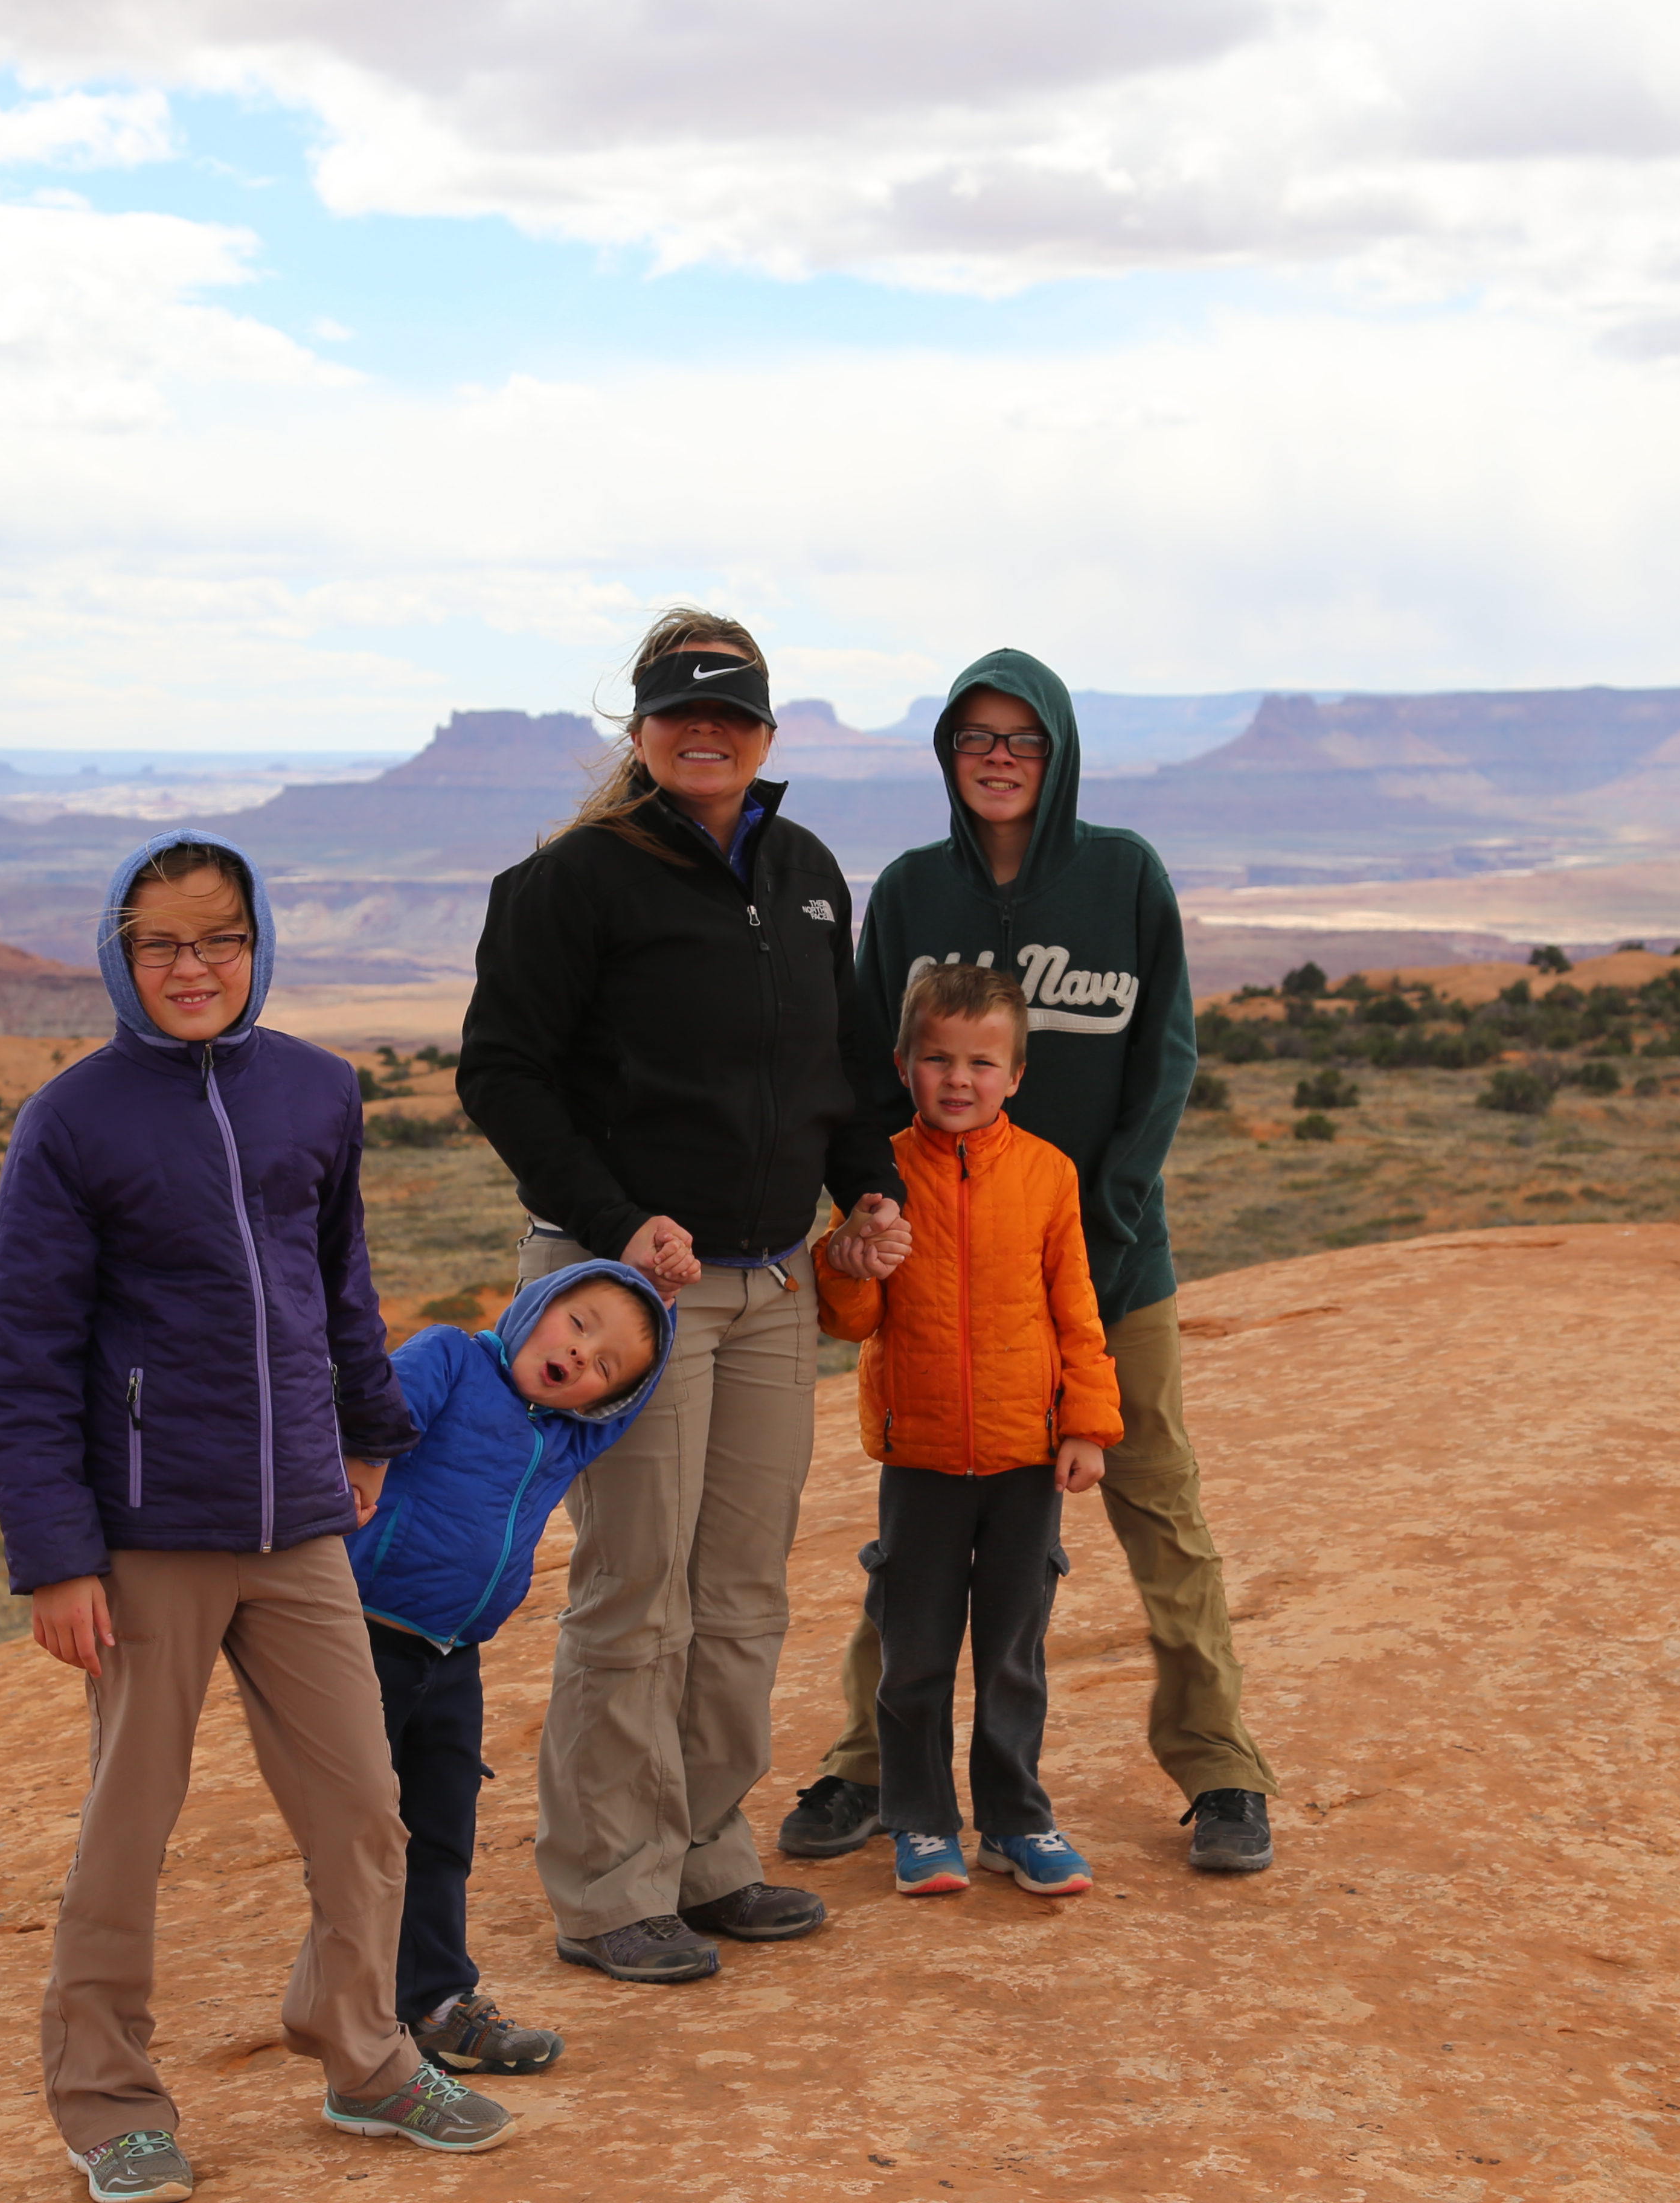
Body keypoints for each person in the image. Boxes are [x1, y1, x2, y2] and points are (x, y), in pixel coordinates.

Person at [0, 829, 513, 2202]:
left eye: (220, 938)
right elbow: (24, 1352)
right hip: (151, 1532)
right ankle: (112, 2106)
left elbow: (338, 1285)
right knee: (126, 1830)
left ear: (258, 945)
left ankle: (366, 2057)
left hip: (298, 1526)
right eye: (163, 943)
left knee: (364, 1809)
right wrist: (56, 1558)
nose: (194, 965)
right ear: (120, 954)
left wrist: (371, 1432)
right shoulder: (75, 1120)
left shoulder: (315, 1093)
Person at [457, 606, 914, 1986]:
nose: (705, 733)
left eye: (733, 714)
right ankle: (607, 1891)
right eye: (679, 713)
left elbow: (838, 1065)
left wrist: (869, 1187)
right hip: (629, 1295)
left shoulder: (807, 870)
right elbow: (503, 1073)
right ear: (642, 731)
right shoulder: (575, 881)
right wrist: (614, 1224)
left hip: (774, 1282)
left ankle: (708, 1854)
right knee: (635, 1587)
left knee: (742, 1587)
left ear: (768, 734)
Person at [778, 647, 1286, 1874]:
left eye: (1024, 741)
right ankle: (864, 1769)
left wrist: (1105, 1222)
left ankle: (1220, 1769)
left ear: (1058, 755)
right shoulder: (906, 894)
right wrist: (870, 1206)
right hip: (943, 1275)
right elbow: (858, 1068)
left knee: (1159, 1510)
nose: (999, 761)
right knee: (918, 1532)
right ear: (948, 755)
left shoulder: (1122, 877)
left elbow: (1165, 1061)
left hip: (1110, 1266)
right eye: (976, 740)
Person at [815, 961, 1125, 1899]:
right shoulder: (879, 1178)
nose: (960, 1079)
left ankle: (1017, 1824)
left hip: (1026, 1457)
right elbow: (853, 1322)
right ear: (904, 1063)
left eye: (983, 1063)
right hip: (920, 1460)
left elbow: (1077, 1309)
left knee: (1013, 1653)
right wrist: (849, 1254)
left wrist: (1088, 1426)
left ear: (1017, 1074)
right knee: (912, 1653)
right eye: (938, 1059)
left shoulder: (1047, 1175)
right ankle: (919, 1824)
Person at [347, 1259, 675, 2074]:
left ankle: (438, 2004)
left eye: (605, 1368)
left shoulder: (572, 1432)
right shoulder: (452, 1358)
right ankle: (356, 2019)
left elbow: (630, 1398)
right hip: (362, 1635)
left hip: (452, 1657)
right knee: (359, 1834)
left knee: (442, 1830)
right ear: (538, 1304)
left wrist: (661, 1307)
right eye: (577, 1324)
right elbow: (371, 1414)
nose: (581, 1356)